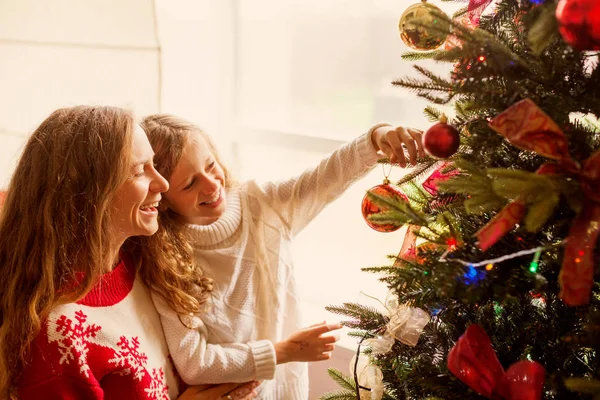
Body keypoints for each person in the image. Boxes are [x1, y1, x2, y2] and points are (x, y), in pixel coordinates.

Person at [141, 114, 424, 399]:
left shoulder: (263, 205)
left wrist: (377, 137)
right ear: (162, 200)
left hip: (288, 391)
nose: (211, 184)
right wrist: (284, 351)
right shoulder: (167, 258)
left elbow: (325, 177)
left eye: (211, 165)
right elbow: (195, 364)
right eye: (190, 183)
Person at [0, 106, 258, 400]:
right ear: (88, 195)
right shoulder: (58, 337)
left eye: (154, 165)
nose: (162, 183)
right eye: (139, 171)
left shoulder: (145, 259)